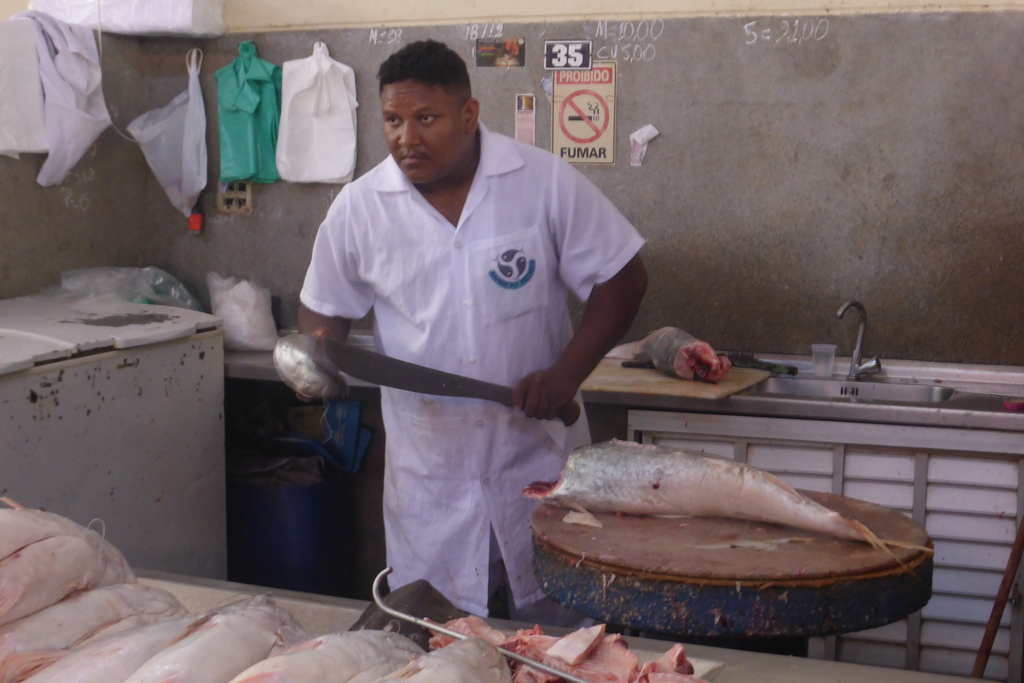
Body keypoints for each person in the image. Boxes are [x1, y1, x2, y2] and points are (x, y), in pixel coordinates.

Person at [297, 39, 647, 622]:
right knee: (443, 645)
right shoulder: (359, 208)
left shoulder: (540, 182)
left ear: (468, 115)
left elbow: (624, 279)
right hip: (431, 479)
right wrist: (321, 355)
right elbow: (323, 311)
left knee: (559, 641)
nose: (407, 138)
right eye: (392, 120)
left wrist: (565, 375)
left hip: (536, 459)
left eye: (426, 119)